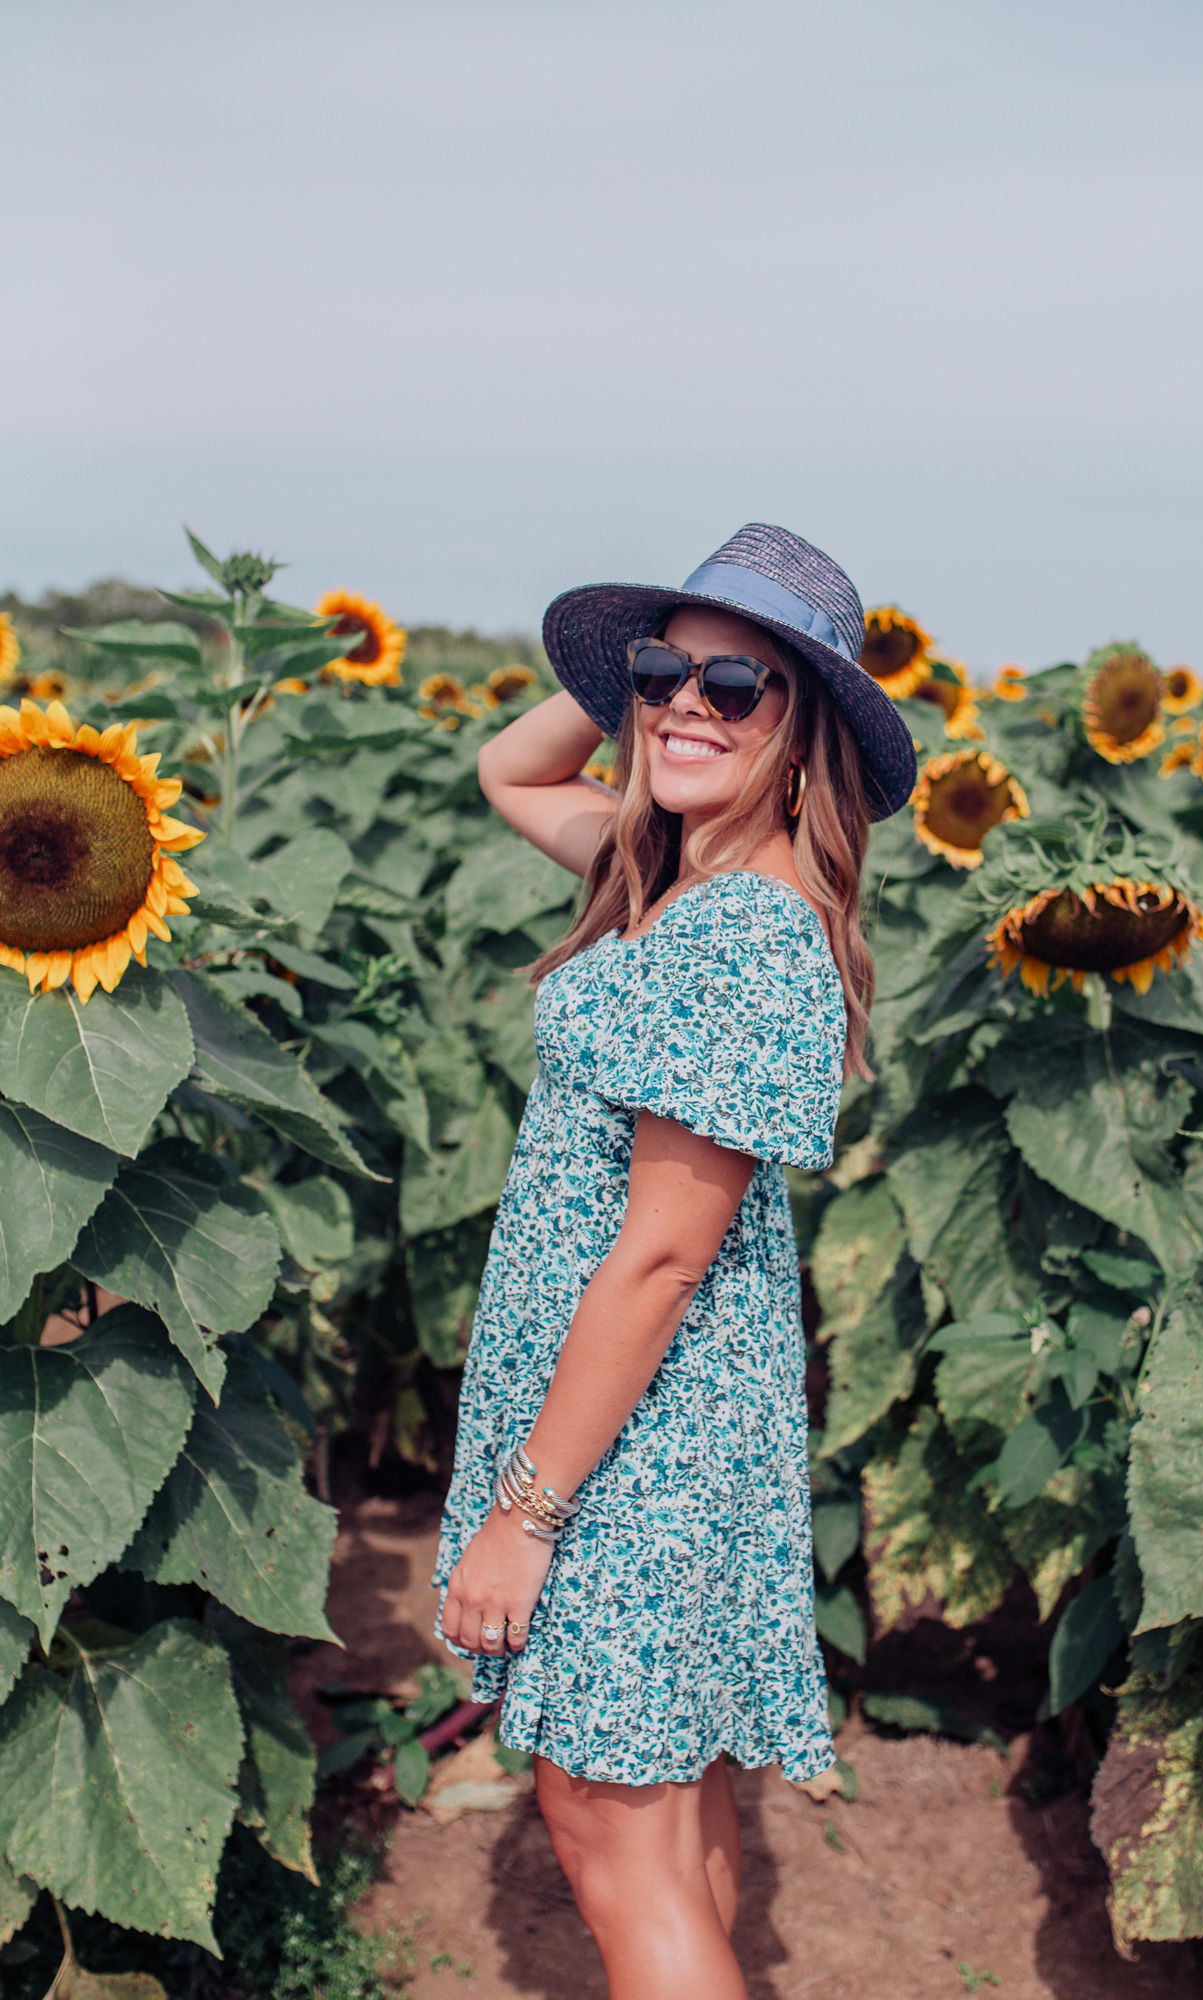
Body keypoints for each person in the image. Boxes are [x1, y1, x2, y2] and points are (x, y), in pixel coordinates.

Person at [434, 524, 915, 1998]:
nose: (686, 703)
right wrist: (630, 672)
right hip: (645, 1426)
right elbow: (509, 773)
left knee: (605, 1829)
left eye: (740, 684)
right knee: (671, 1800)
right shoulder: (667, 877)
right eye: (662, 672)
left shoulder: (739, 934)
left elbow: (655, 1262)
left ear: (809, 728)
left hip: (629, 1445)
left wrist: (528, 1513)